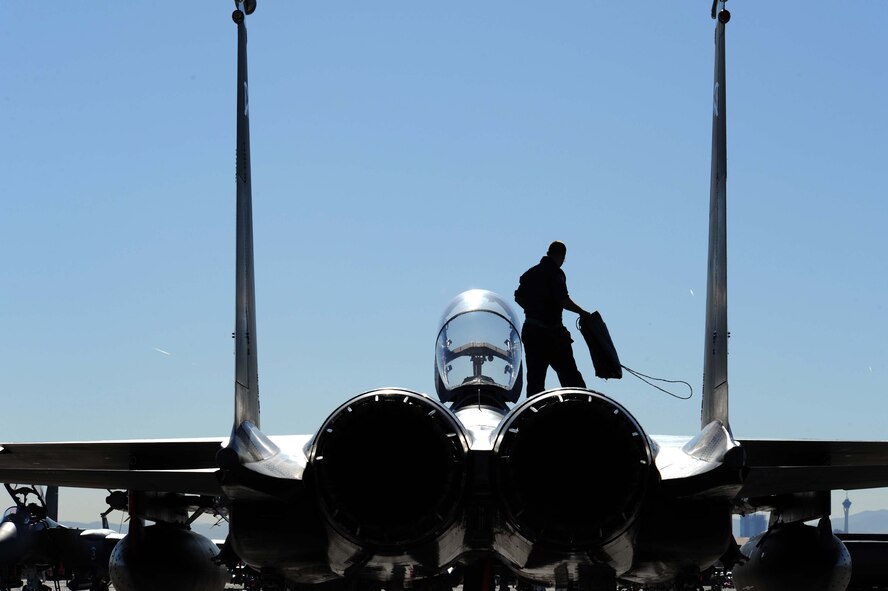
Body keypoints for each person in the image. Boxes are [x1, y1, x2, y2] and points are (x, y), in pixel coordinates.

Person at [514, 240, 593, 397]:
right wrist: (582, 313)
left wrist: (532, 309)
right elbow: (563, 300)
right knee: (572, 380)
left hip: (531, 332)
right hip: (552, 335)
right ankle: (582, 412)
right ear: (561, 256)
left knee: (535, 383)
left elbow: (518, 297)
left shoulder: (529, 274)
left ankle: (533, 417)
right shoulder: (556, 273)